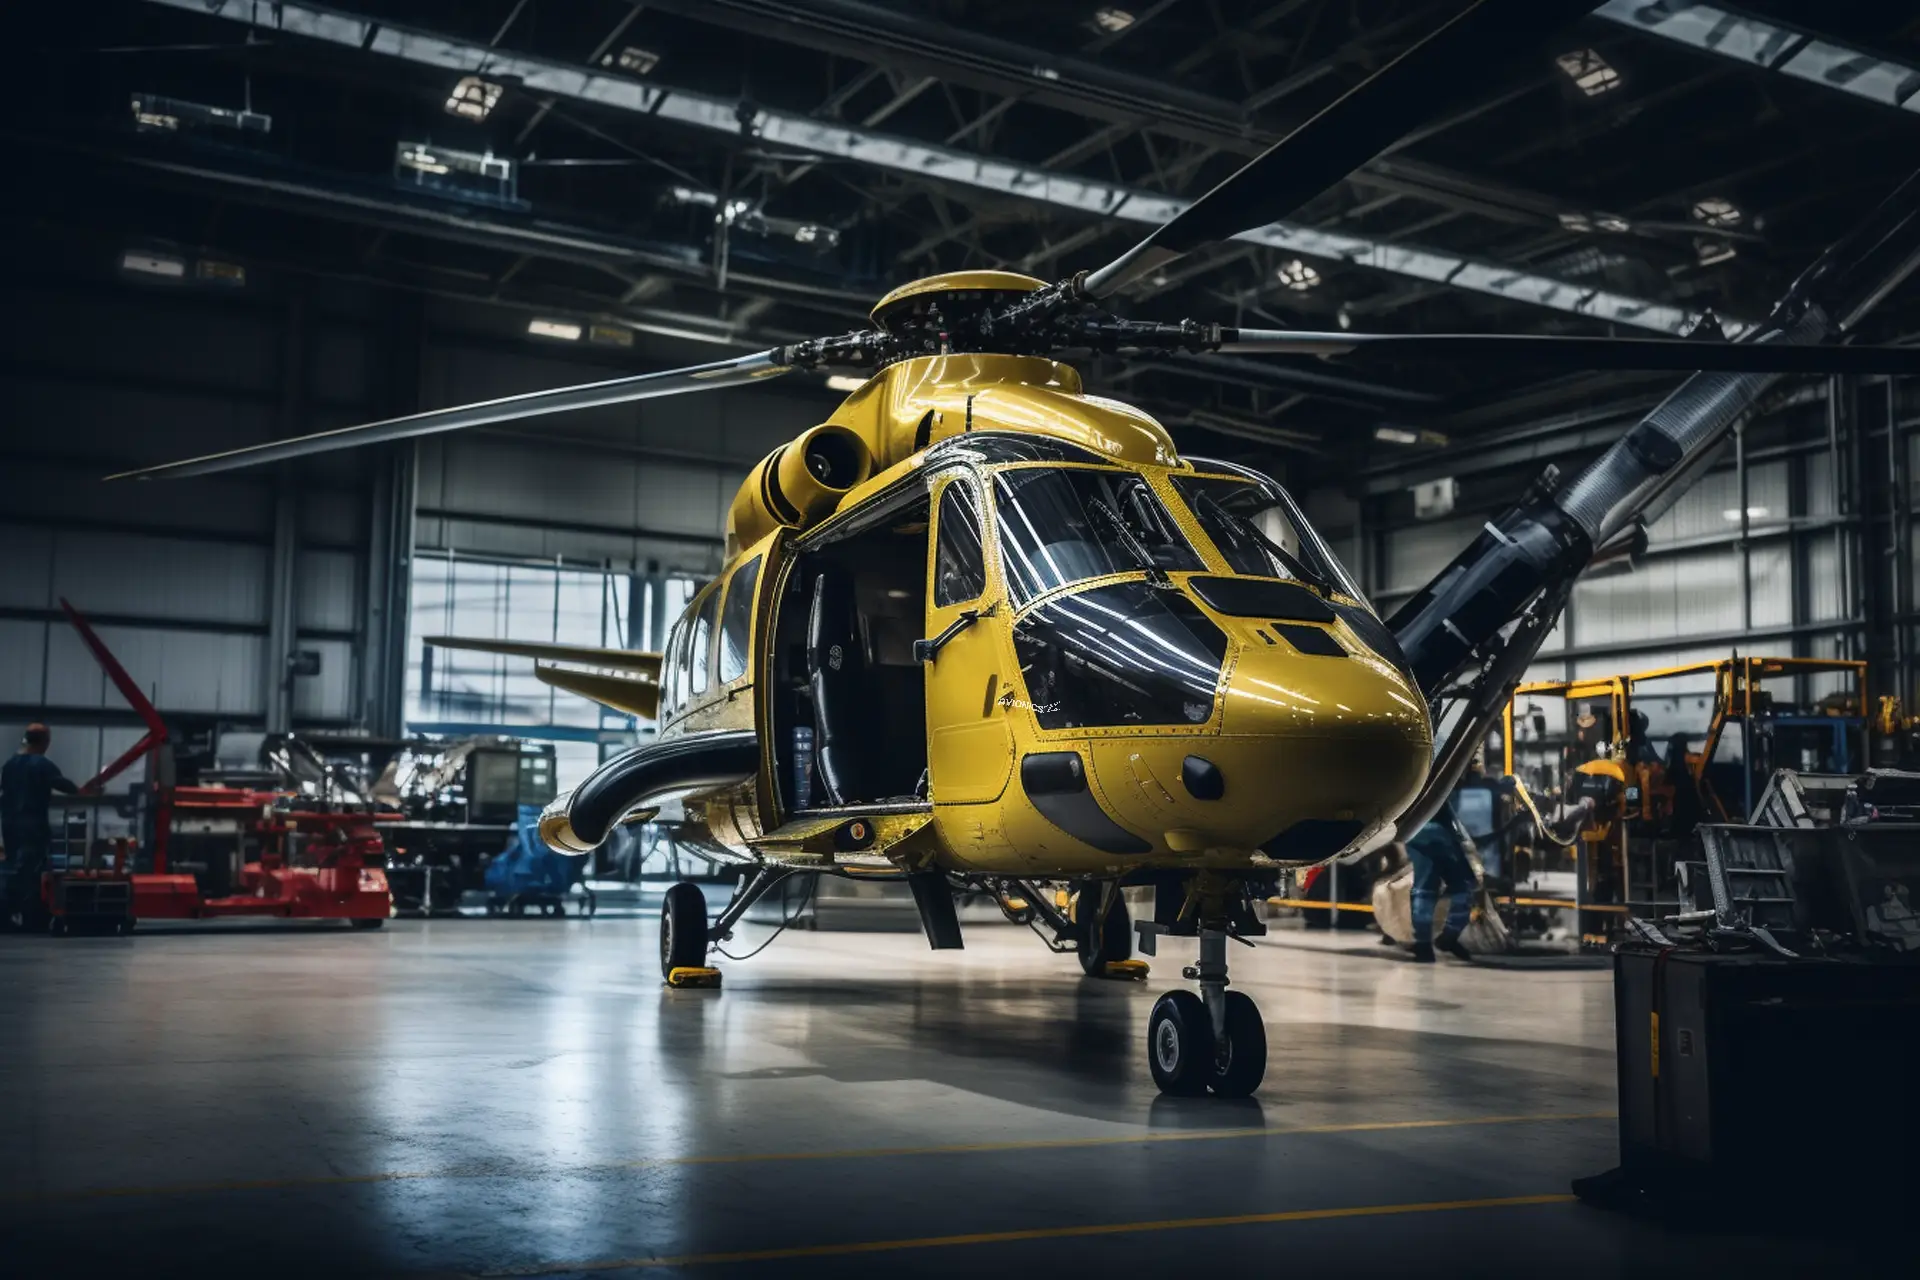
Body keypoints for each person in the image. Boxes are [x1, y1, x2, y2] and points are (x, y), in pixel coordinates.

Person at [1, 724, 81, 926]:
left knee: (13, 866)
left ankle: (8, 913)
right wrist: (83, 791)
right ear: (45, 742)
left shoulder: (9, 765)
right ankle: (31, 915)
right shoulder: (41, 764)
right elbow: (63, 784)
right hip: (33, 825)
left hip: (10, 824)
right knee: (33, 870)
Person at [1405, 815, 1476, 963]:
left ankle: (1429, 943)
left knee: (1427, 889)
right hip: (1432, 831)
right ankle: (1440, 939)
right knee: (1456, 885)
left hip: (1423, 830)